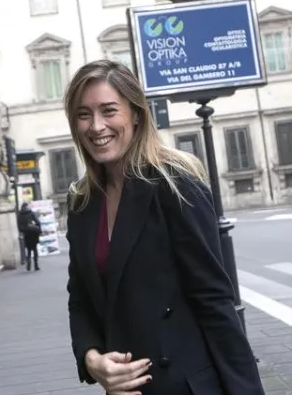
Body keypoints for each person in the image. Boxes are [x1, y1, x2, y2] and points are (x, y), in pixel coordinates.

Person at [63, 60, 264, 395]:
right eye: (84, 114)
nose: (96, 126)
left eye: (109, 111)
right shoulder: (82, 202)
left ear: (136, 114)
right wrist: (91, 358)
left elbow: (214, 301)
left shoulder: (176, 186)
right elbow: (80, 298)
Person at [17, 203, 41, 271]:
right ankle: (36, 265)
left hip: (26, 234)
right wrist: (36, 228)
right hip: (33, 233)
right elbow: (38, 222)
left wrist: (24, 230)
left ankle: (29, 264)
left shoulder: (20, 215)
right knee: (35, 249)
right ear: (27, 207)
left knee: (29, 250)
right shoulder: (31, 213)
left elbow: (19, 227)